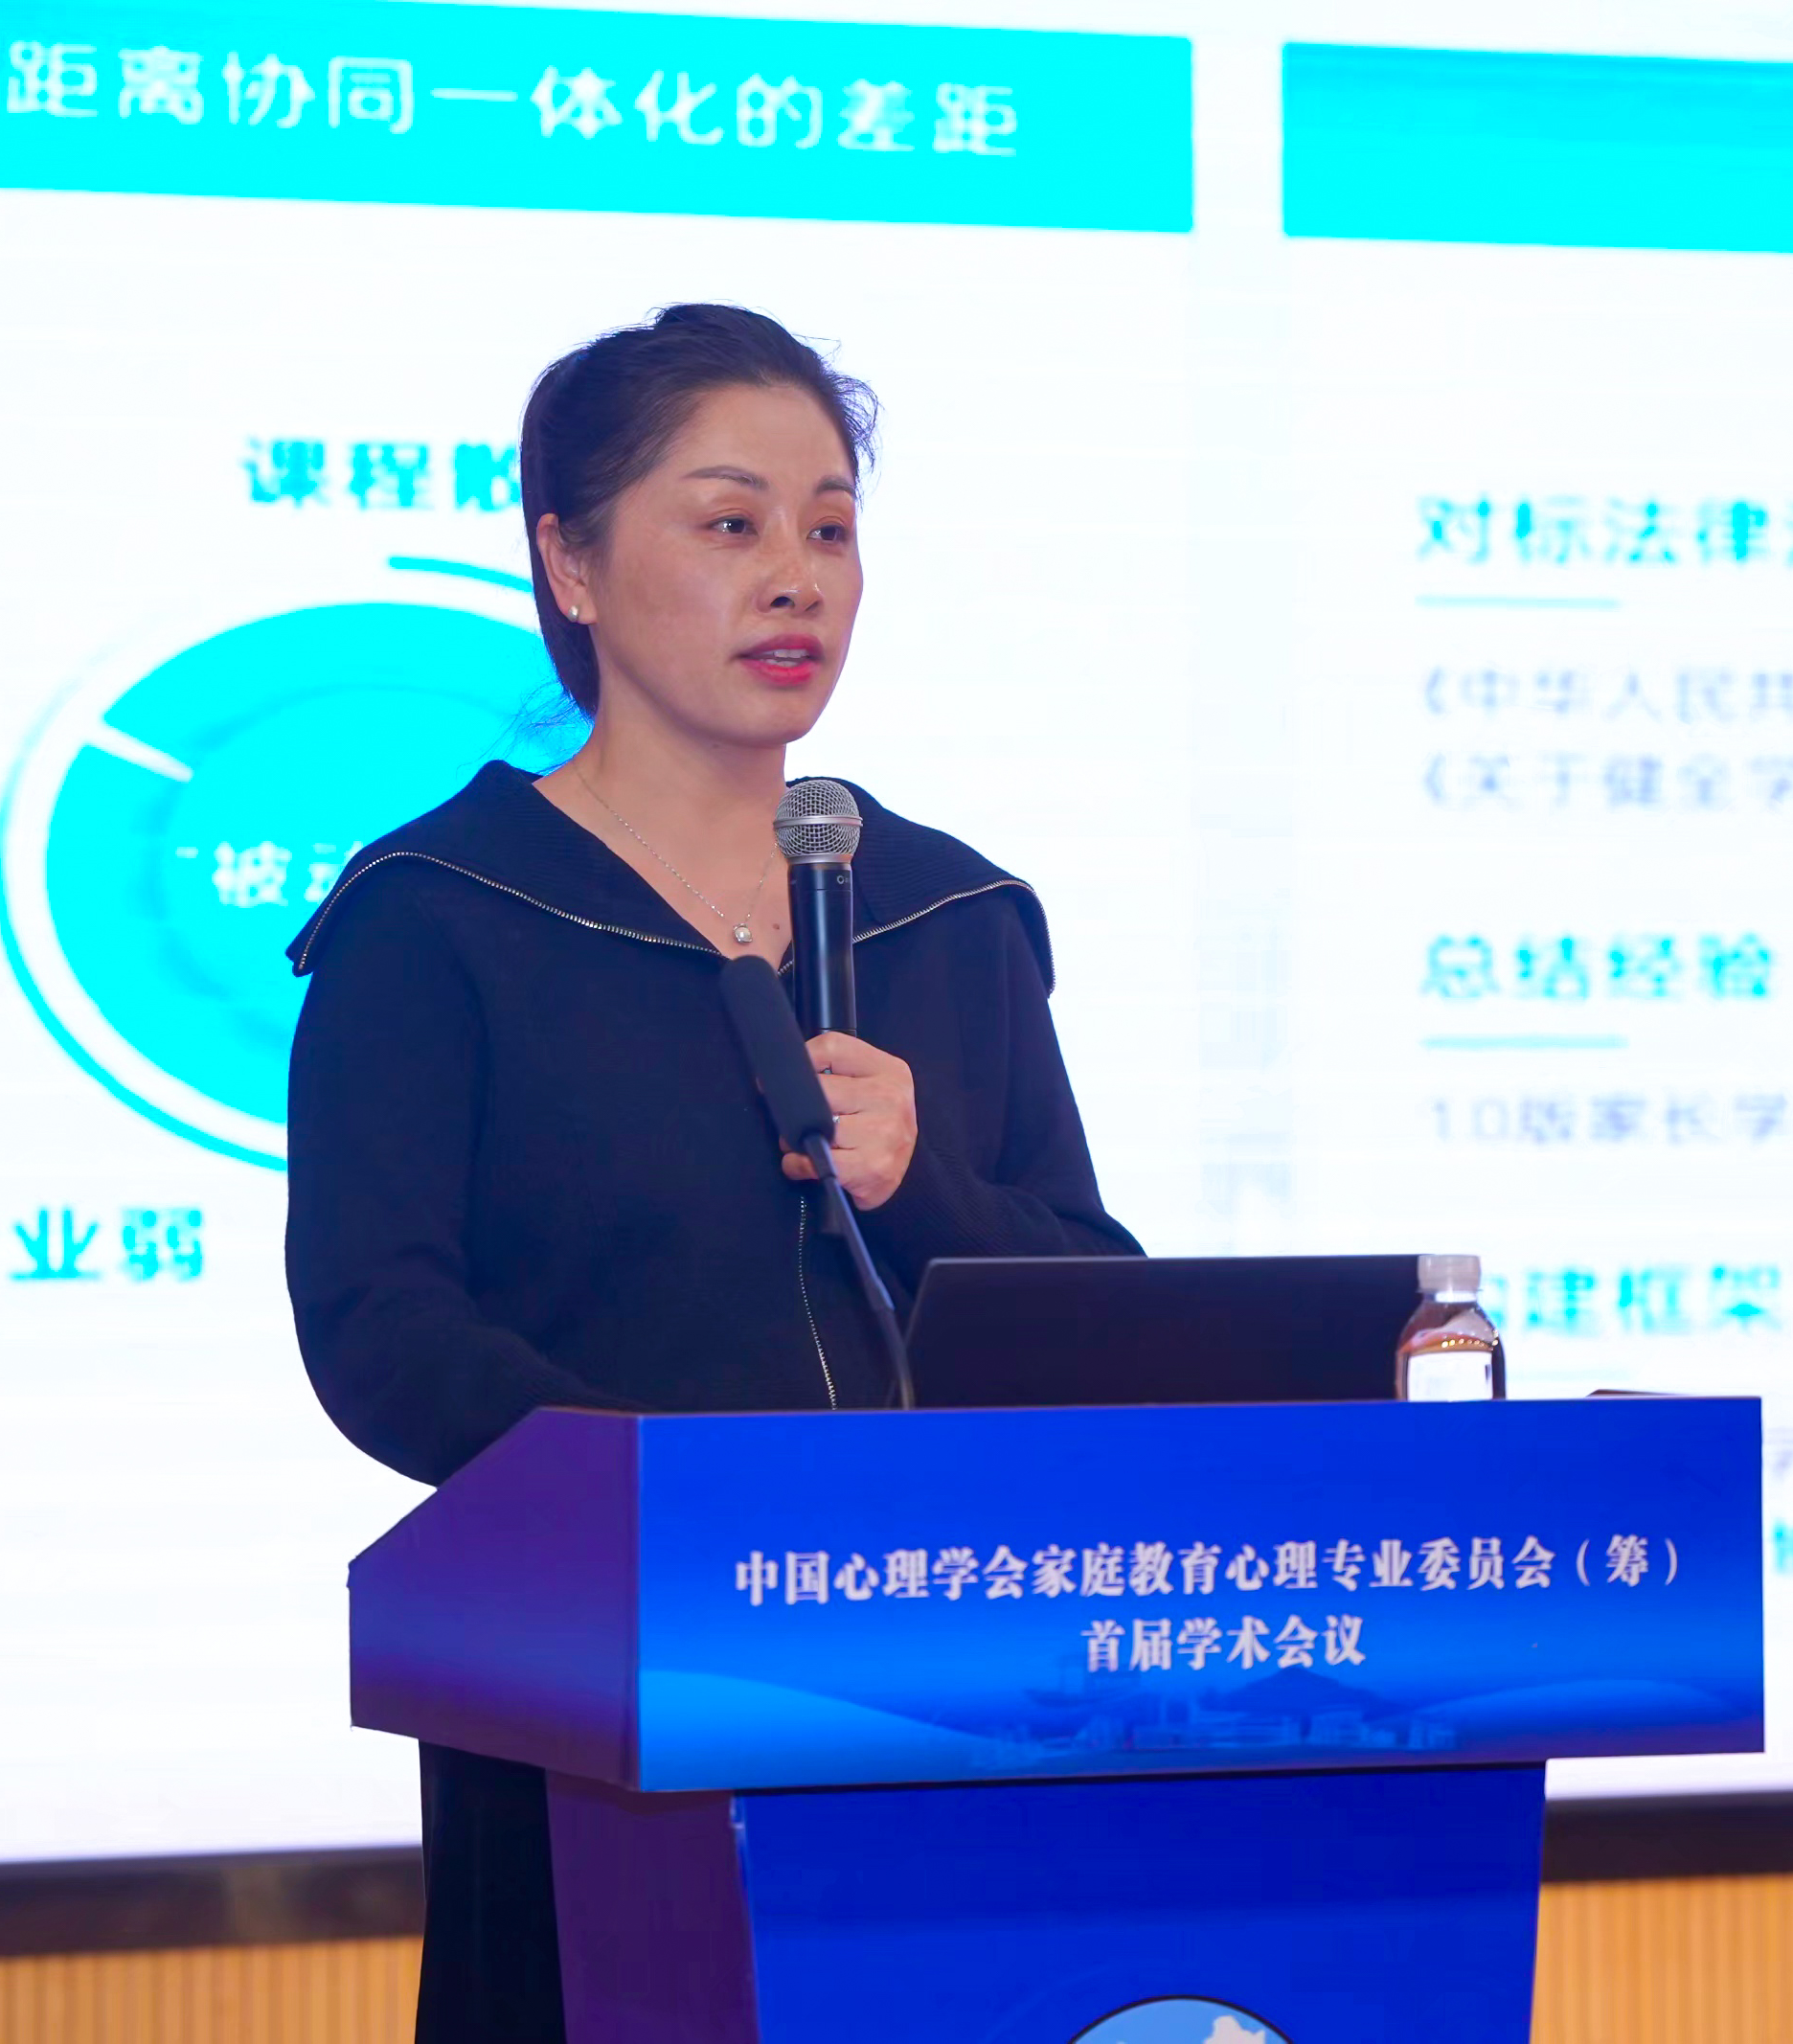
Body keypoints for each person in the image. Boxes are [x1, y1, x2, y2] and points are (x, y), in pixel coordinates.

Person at [282, 303, 1140, 2042]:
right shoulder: (438, 918)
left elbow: (1096, 1303)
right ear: (571, 563)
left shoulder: (948, 911)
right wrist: (678, 1508)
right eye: (732, 523)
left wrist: (923, 1186)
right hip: (602, 1695)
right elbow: (383, 1327)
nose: (796, 578)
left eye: (830, 527)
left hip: (950, 1689)